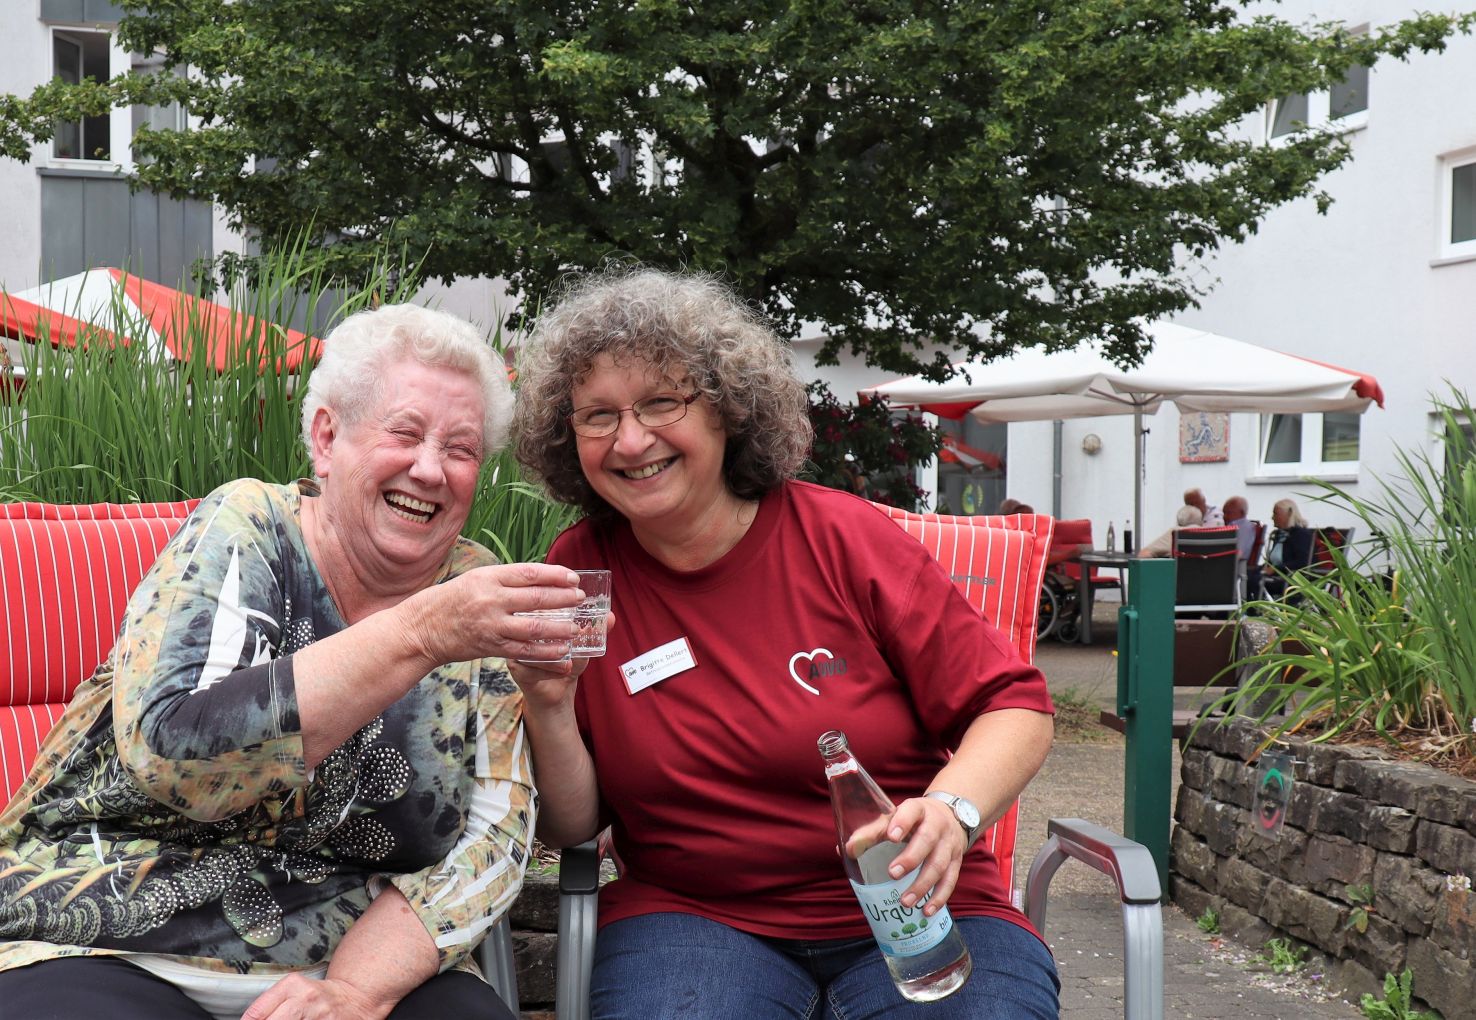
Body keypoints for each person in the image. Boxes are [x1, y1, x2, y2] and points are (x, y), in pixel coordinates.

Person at [0, 304, 589, 1020]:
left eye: (461, 450)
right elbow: (174, 755)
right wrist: (424, 632)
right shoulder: (248, 530)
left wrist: (354, 990)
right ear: (327, 437)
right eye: (404, 432)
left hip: (358, 952)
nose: (430, 469)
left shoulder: (475, 586)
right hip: (115, 932)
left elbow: (490, 843)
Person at [509, 268, 1059, 1018]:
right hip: (693, 919)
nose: (631, 440)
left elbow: (1014, 706)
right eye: (597, 416)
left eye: (662, 402)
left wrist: (954, 811)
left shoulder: (843, 539)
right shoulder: (577, 576)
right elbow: (573, 827)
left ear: (728, 411)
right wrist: (547, 704)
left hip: (917, 899)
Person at [1261, 497, 1314, 599]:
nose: (1272, 517)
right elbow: (1272, 562)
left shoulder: (1301, 535)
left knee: (1253, 581)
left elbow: (1303, 563)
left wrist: (1276, 569)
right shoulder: (1281, 534)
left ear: (1288, 514)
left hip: (1291, 580)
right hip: (1277, 576)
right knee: (1246, 577)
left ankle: (1254, 610)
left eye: (1276, 514)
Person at [1140, 505, 1204, 558]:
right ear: (1201, 522)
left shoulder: (1175, 533)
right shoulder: (1210, 534)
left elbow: (1143, 555)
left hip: (1179, 573)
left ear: (1178, 522)